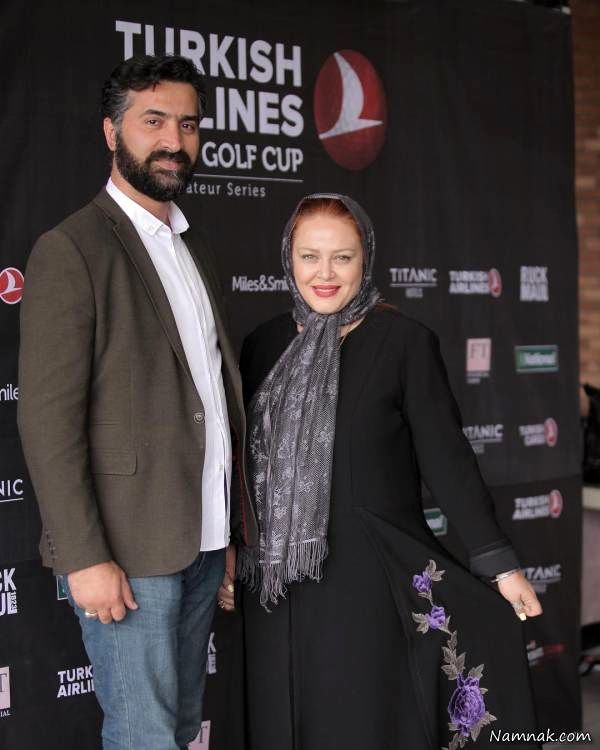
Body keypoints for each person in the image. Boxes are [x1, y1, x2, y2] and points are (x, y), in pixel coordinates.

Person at [237, 193, 543, 750]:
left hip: (366, 581)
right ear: (288, 259)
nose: (325, 274)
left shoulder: (403, 343)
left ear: (366, 259)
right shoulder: (262, 345)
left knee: (360, 722)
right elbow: (239, 462)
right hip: (274, 588)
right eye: (309, 256)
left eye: (342, 257)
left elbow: (447, 459)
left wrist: (499, 563)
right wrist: (235, 549)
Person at [17, 54, 257, 750]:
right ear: (111, 131)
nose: (174, 141)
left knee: (178, 727)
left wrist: (228, 529)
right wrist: (83, 555)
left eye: (188, 124)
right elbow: (47, 419)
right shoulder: (72, 249)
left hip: (202, 541)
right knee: (143, 735)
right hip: (125, 553)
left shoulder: (194, 246)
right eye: (154, 122)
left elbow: (210, 397)